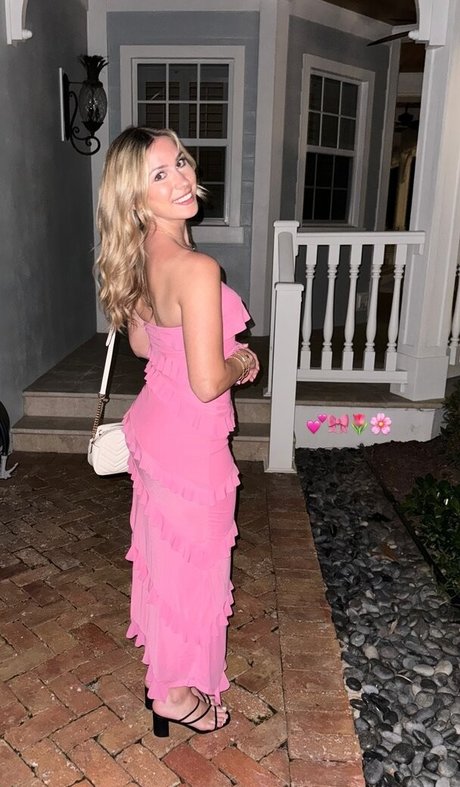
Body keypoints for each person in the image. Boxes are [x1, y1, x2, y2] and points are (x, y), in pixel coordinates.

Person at [96, 126, 259, 736]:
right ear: (136, 197)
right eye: (159, 174)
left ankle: (168, 682)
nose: (182, 178)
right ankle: (172, 695)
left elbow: (144, 345)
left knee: (169, 565)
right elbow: (208, 381)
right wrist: (241, 360)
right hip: (191, 445)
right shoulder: (196, 268)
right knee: (197, 570)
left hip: (156, 431)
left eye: (182, 162)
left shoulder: (143, 255)